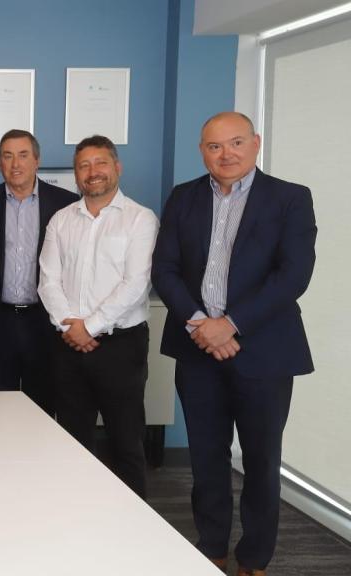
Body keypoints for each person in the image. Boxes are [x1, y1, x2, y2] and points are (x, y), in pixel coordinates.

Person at [152, 112, 316, 576]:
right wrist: (202, 324)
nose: (226, 154)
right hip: (196, 347)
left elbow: (294, 276)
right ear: (201, 150)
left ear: (256, 143)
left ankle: (254, 558)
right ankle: (211, 547)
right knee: (206, 458)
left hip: (263, 351)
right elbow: (164, 268)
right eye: (214, 146)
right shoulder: (184, 197)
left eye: (236, 142)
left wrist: (232, 325)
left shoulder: (289, 198)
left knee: (262, 461)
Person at [37, 135, 158, 499]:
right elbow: (48, 280)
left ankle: (134, 525)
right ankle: (78, 516)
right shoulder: (61, 220)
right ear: (76, 175)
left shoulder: (140, 219)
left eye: (100, 163)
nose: (93, 172)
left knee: (126, 440)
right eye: (84, 166)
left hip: (121, 347)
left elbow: (135, 284)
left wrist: (87, 326)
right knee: (73, 438)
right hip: (67, 345)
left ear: (117, 167)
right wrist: (70, 327)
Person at [0, 129, 76, 414]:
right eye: (7, 156)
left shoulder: (65, 204)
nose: (16, 164)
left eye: (23, 155)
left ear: (36, 161)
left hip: (44, 321)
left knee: (43, 403)